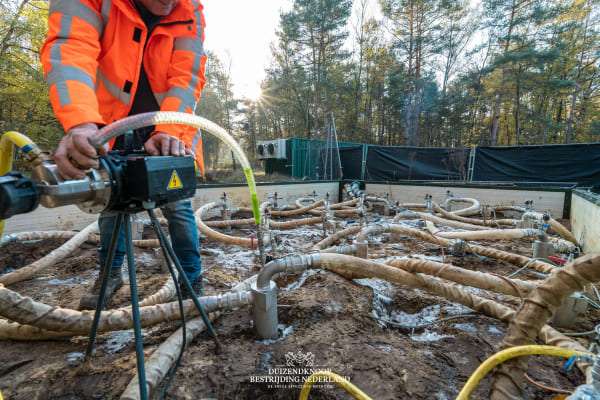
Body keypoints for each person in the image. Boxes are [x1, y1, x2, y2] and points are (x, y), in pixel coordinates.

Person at [41, 0, 207, 309]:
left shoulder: (190, 8)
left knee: (178, 208)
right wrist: (81, 120)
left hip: (169, 130)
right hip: (108, 128)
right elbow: (71, 47)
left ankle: (191, 279)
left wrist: (169, 130)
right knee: (112, 207)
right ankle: (110, 276)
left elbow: (187, 78)